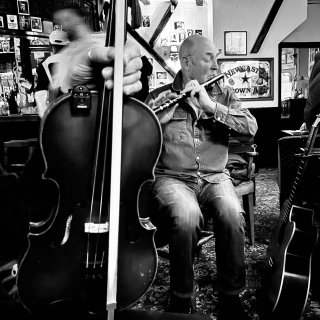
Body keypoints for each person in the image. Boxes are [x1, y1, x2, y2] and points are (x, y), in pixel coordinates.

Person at [0, 1, 143, 319]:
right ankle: (24, 262)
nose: (60, 28)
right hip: (58, 144)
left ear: (80, 18)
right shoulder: (59, 57)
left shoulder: (94, 43)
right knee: (35, 193)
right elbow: (49, 98)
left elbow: (101, 61)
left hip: (90, 144)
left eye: (65, 21)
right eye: (58, 23)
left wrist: (117, 81)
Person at [145, 34, 258, 319]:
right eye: (210, 58)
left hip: (214, 176)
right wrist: (154, 121)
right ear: (186, 62)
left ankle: (231, 296)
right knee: (186, 216)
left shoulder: (224, 94)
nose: (217, 64)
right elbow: (134, 140)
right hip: (172, 178)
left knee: (232, 212)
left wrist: (211, 106)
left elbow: (251, 128)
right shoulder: (159, 96)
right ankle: (181, 298)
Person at [34, 30, 70, 117]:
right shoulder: (76, 62)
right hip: (74, 109)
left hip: (55, 111)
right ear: (68, 45)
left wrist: (45, 118)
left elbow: (41, 94)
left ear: (51, 46)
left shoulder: (43, 65)